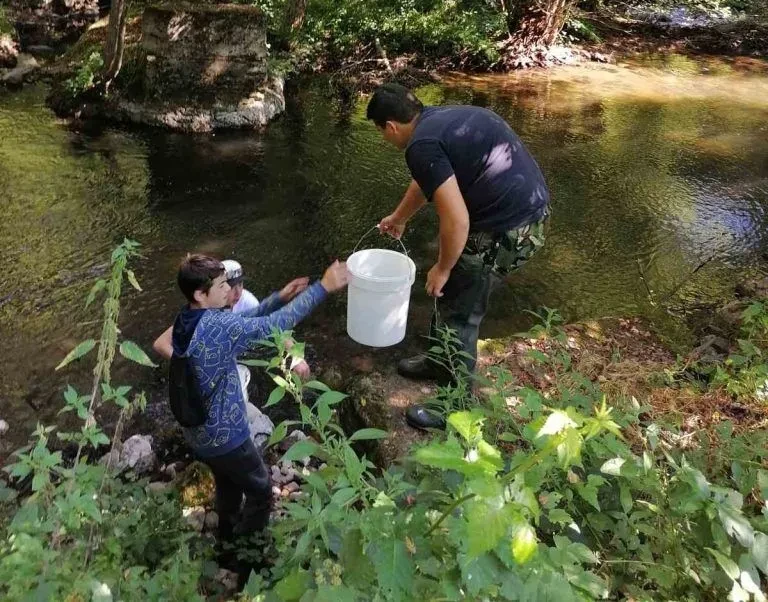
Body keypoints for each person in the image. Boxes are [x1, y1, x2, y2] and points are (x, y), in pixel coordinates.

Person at [367, 83, 551, 430]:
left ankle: (456, 405)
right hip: (525, 211)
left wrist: (442, 267)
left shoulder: (420, 145)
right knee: (452, 294)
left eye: (381, 133)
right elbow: (428, 181)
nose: (385, 139)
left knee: (461, 305)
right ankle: (440, 361)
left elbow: (457, 219)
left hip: (510, 228)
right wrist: (400, 218)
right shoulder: (438, 120)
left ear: (390, 127)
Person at [167, 253, 348, 571]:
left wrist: (279, 297)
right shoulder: (217, 325)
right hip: (225, 435)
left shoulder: (188, 319)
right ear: (200, 293)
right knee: (262, 491)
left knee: (228, 483)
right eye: (221, 285)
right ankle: (246, 558)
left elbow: (246, 323)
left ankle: (226, 542)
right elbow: (272, 327)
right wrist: (324, 287)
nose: (229, 291)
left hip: (199, 433)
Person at [153, 259, 312, 390]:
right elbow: (161, 343)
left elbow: (271, 328)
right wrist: (188, 367)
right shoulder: (203, 309)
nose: (237, 292)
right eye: (226, 286)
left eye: (240, 285)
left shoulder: (247, 301)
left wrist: (295, 356)